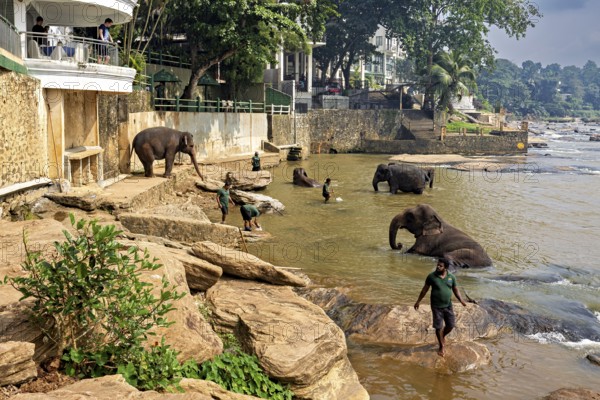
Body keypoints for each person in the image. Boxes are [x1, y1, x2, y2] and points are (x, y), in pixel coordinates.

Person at [414, 258, 467, 357]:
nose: (438, 267)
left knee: (450, 325)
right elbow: (424, 290)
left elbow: (455, 290)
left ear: (446, 267)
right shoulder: (431, 277)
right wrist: (418, 301)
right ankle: (441, 346)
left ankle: (442, 336)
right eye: (437, 265)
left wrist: (461, 300)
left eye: (440, 266)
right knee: (438, 327)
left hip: (448, 305)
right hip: (436, 306)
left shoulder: (451, 277)